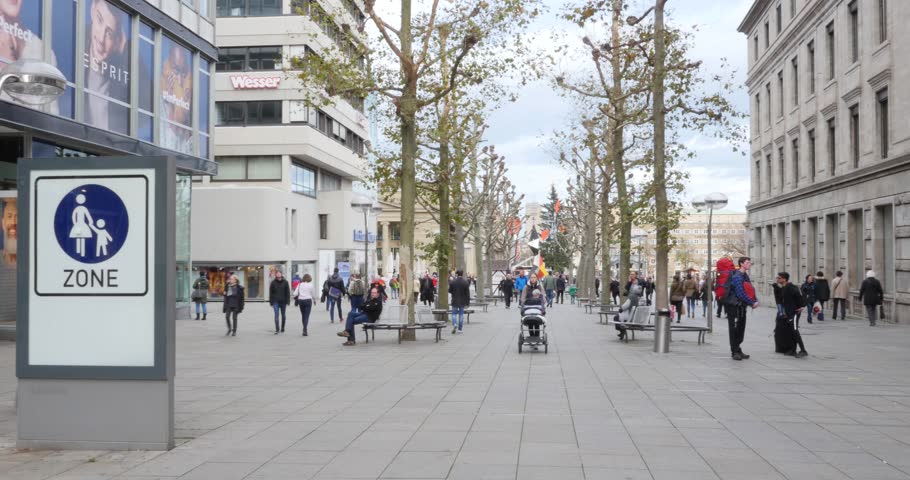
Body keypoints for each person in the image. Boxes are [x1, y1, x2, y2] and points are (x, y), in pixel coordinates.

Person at [84, 0, 130, 133]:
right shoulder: (72, 48)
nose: (101, 38)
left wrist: (124, 52)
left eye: (109, 34)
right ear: (92, 10)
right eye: (99, 20)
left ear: (117, 41)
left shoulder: (121, 78)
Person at [728, 257, 758, 361]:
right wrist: (752, 303)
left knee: (740, 330)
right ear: (741, 264)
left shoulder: (745, 275)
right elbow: (740, 293)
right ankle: (734, 352)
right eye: (747, 262)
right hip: (734, 307)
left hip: (741, 307)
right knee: (735, 330)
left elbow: (750, 289)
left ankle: (738, 349)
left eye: (750, 262)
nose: (750, 264)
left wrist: (755, 300)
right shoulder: (737, 276)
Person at [777, 272, 808, 357]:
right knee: (791, 331)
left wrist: (802, 306)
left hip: (794, 313)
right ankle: (793, 350)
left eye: (779, 278)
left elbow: (802, 296)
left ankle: (803, 350)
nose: (778, 279)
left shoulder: (791, 288)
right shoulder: (784, 288)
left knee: (795, 331)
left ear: (784, 279)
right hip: (789, 313)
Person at [449, 270, 471, 334]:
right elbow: (467, 294)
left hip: (455, 300)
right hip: (462, 301)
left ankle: (455, 324)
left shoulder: (453, 282)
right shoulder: (465, 282)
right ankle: (460, 329)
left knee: (454, 314)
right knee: (461, 315)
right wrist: (467, 303)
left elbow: (450, 291)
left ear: (456, 274)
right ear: (462, 274)